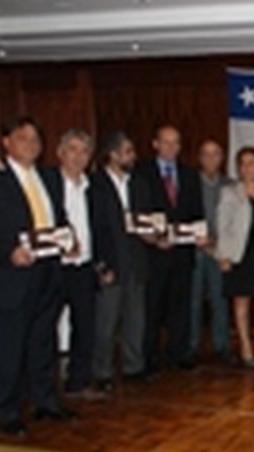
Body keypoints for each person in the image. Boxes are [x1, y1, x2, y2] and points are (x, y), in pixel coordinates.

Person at [0, 117, 76, 436]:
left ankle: (46, 402)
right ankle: (6, 410)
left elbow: (59, 218)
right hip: (12, 275)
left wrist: (69, 240)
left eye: (35, 139)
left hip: (48, 271)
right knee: (9, 347)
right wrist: (7, 253)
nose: (31, 144)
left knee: (44, 342)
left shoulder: (50, 178)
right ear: (6, 142)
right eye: (23, 138)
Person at [136, 124, 205, 375]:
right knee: (152, 307)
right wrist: (152, 237)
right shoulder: (141, 173)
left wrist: (199, 235)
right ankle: (150, 357)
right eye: (166, 142)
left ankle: (179, 353)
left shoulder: (190, 174)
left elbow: (197, 212)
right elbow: (138, 212)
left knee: (180, 306)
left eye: (175, 142)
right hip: (154, 253)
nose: (171, 147)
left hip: (182, 252)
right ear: (155, 144)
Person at [54, 130, 115, 402]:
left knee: (85, 328)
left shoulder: (95, 189)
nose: (78, 156)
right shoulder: (48, 184)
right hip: (54, 267)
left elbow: (103, 229)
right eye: (73, 149)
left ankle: (77, 383)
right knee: (43, 329)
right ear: (60, 153)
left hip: (84, 267)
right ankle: (41, 388)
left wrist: (105, 264)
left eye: (84, 151)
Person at [90, 132, 153, 387]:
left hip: (136, 259)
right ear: (113, 154)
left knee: (135, 319)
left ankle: (133, 366)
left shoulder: (138, 183)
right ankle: (102, 371)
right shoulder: (95, 185)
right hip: (111, 260)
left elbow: (147, 218)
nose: (133, 156)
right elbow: (94, 228)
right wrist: (101, 264)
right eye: (128, 151)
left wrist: (152, 234)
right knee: (106, 321)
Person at [217, 147, 254, 368]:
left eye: (252, 163)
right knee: (242, 301)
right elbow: (222, 225)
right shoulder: (230, 192)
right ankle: (245, 346)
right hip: (239, 253)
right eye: (243, 163)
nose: (248, 167)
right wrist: (223, 255)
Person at [189, 140, 231, 362]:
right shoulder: (189, 183)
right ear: (199, 158)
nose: (211, 159)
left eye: (215, 154)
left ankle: (222, 345)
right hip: (193, 250)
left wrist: (218, 241)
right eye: (206, 154)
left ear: (222, 158)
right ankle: (191, 346)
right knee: (193, 301)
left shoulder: (230, 185)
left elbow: (234, 221)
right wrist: (194, 237)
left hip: (220, 251)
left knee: (220, 300)